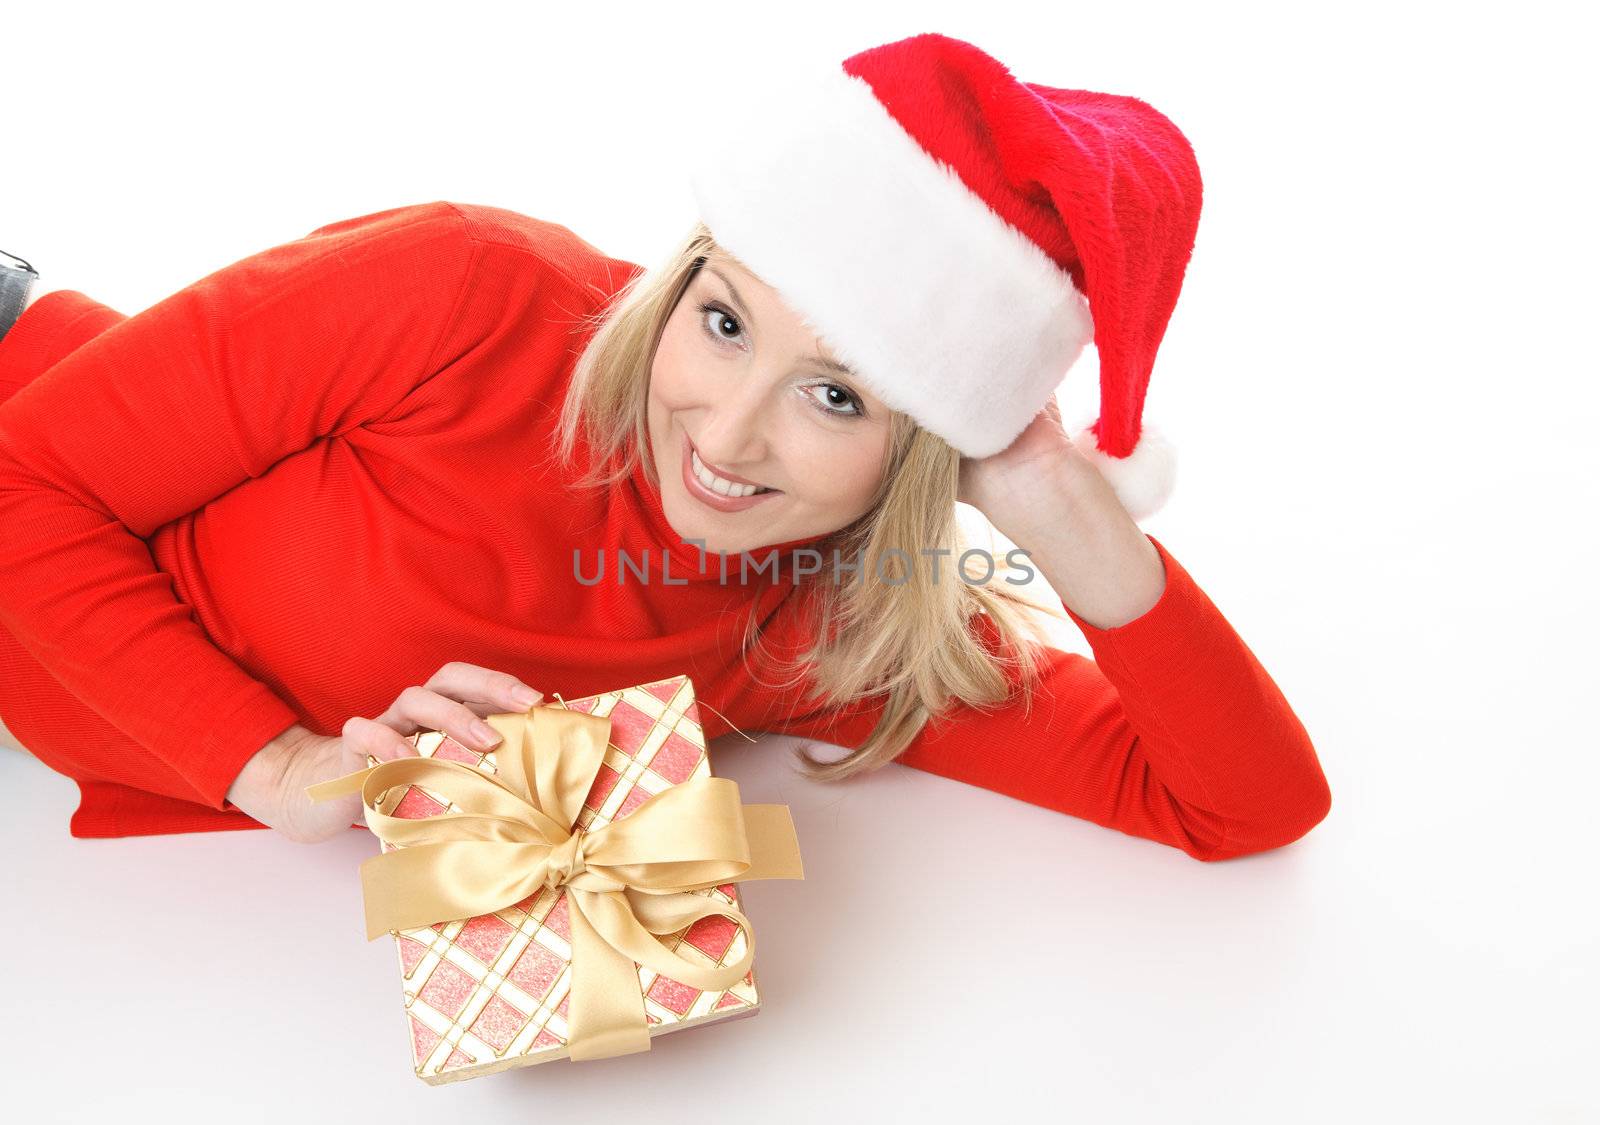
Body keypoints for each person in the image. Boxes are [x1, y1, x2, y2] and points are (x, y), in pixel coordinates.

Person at [0, 33, 1330, 859]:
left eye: (842, 399)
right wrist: (271, 762)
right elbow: (28, 485)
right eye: (724, 320)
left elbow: (1243, 804)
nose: (730, 433)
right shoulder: (469, 291)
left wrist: (1050, 495)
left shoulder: (815, 636)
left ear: (932, 452)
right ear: (685, 271)